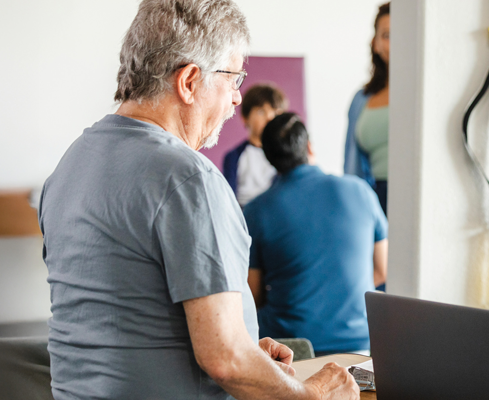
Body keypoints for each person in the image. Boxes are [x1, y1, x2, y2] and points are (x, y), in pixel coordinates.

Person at [38, 1, 358, 399]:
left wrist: (248, 358)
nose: (238, 98)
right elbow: (225, 361)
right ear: (189, 81)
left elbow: (121, 322)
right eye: (234, 78)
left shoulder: (70, 166)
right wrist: (311, 395)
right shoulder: (189, 179)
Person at [246, 113, 388, 356]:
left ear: (270, 159)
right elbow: (381, 270)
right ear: (309, 146)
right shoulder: (360, 190)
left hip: (291, 353)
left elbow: (253, 294)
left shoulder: (256, 211)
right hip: (361, 346)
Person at [343, 2, 390, 216]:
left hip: (414, 194)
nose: (394, 43)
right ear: (375, 43)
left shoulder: (421, 95)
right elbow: (351, 165)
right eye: (387, 35)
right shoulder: (360, 99)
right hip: (371, 200)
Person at [223, 83, 287, 207]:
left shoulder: (285, 155)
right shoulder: (234, 157)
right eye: (261, 112)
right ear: (245, 118)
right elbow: (229, 199)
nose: (270, 118)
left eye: (276, 113)